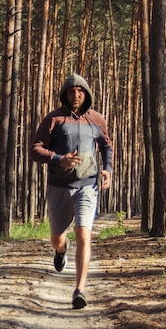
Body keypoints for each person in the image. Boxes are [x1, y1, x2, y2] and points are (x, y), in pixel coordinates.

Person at [30, 73, 113, 309]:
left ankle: (80, 290)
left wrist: (107, 169)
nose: (76, 94)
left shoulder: (96, 119)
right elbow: (35, 149)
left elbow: (107, 145)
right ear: (65, 94)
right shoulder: (53, 119)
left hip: (88, 185)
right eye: (71, 91)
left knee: (84, 234)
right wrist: (58, 159)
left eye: (80, 91)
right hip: (59, 186)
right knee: (57, 236)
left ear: (86, 94)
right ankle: (60, 250)